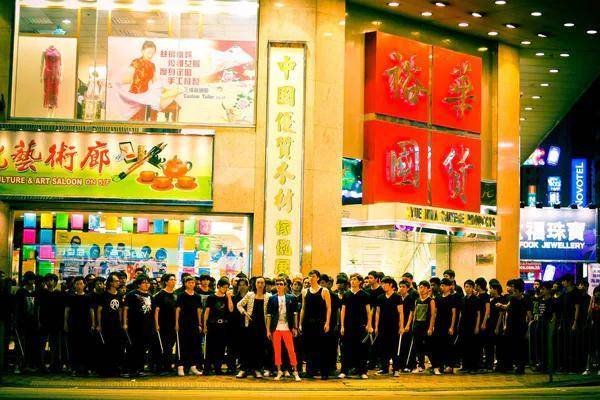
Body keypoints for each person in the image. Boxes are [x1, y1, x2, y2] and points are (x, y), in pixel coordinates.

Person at [266, 277, 301, 381]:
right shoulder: (272, 298)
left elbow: (295, 314)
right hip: (276, 328)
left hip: (287, 327)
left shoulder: (292, 298)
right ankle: (279, 371)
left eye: (281, 284)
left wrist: (295, 327)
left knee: (291, 350)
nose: (279, 286)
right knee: (277, 350)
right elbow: (269, 315)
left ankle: (295, 371)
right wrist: (268, 330)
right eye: (277, 284)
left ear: (285, 285)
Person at [299, 269, 332, 379]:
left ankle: (324, 373)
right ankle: (310, 371)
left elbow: (329, 308)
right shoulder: (305, 291)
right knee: (309, 348)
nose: (311, 278)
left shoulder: (324, 291)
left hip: (320, 323)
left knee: (322, 348)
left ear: (317, 278)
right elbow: (303, 308)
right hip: (308, 323)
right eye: (309, 276)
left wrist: (327, 322)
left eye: (313, 276)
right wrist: (300, 323)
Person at [236, 276, 271, 378]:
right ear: (255, 284)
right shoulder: (250, 294)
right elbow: (239, 305)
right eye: (258, 282)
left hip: (263, 326)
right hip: (250, 325)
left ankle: (257, 369)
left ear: (264, 284)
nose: (260, 285)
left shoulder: (268, 296)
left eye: (262, 283)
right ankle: (243, 369)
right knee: (247, 347)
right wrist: (244, 313)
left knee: (259, 348)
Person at [339, 273, 372, 379]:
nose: (352, 281)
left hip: (361, 325)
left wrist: (369, 324)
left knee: (361, 349)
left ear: (360, 282)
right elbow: (343, 311)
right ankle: (344, 370)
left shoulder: (365, 295)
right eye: (351, 279)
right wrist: (342, 325)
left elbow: (368, 311)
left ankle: (362, 371)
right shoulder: (346, 294)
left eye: (355, 279)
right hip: (348, 325)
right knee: (346, 348)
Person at [123, 274, 153, 377]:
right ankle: (131, 370)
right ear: (139, 284)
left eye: (148, 282)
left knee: (143, 348)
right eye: (144, 283)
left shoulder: (150, 295)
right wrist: (125, 323)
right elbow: (126, 309)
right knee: (133, 347)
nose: (147, 284)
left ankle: (140, 369)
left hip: (146, 326)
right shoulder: (131, 294)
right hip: (134, 325)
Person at [64, 276, 95, 376]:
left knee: (86, 346)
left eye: (81, 283)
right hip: (74, 324)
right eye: (77, 284)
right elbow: (67, 310)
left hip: (86, 324)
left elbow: (91, 311)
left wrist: (93, 323)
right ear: (74, 285)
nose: (79, 285)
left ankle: (86, 368)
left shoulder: (88, 297)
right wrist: (65, 323)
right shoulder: (71, 297)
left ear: (84, 285)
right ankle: (74, 368)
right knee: (74, 346)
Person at [203, 277, 234, 375]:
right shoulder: (211, 297)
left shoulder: (227, 298)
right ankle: (207, 368)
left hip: (223, 326)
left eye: (227, 287)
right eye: (223, 287)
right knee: (210, 347)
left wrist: (229, 297)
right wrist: (204, 325)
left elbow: (231, 309)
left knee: (221, 348)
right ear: (218, 286)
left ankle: (218, 368)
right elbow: (207, 312)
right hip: (212, 325)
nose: (225, 289)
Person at [499, 279, 529, 374]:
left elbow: (528, 315)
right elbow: (507, 307)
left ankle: (520, 366)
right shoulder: (512, 299)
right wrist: (501, 305)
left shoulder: (526, 299)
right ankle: (509, 365)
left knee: (520, 347)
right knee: (510, 345)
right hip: (511, 325)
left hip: (520, 326)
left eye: (516, 291)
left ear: (520, 291)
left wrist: (527, 328)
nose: (514, 293)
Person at [374, 276, 403, 376]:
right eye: (382, 284)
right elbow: (377, 312)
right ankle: (384, 368)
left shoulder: (397, 297)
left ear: (391, 285)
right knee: (383, 348)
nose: (383, 286)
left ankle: (396, 369)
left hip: (394, 326)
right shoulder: (380, 297)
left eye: (385, 284)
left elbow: (401, 313)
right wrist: (376, 326)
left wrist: (401, 326)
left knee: (394, 348)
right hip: (383, 326)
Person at [96, 272, 124, 376]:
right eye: (116, 281)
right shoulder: (104, 295)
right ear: (111, 283)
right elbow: (99, 311)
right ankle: (105, 370)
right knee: (106, 347)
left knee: (116, 347)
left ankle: (115, 369)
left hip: (116, 325)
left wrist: (121, 323)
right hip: (106, 324)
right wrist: (99, 324)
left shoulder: (119, 295)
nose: (118, 282)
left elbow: (120, 310)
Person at [175, 275, 203, 376]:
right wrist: (176, 323)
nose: (191, 284)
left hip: (194, 323)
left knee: (193, 345)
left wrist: (199, 323)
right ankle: (180, 366)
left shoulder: (197, 296)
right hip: (183, 323)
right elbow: (178, 310)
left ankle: (193, 367)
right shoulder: (181, 295)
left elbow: (199, 310)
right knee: (182, 345)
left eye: (193, 282)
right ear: (185, 284)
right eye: (189, 282)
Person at [38, 273, 65, 373]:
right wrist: (39, 320)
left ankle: (54, 364)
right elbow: (39, 308)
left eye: (51, 280)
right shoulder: (42, 293)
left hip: (55, 322)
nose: (49, 282)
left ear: (55, 282)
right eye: (47, 280)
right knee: (42, 344)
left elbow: (62, 309)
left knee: (54, 345)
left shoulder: (59, 294)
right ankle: (42, 364)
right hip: (44, 322)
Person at [14, 271, 40, 373]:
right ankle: (20, 364)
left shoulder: (35, 292)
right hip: (23, 322)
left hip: (32, 323)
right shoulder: (21, 292)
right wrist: (16, 320)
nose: (32, 282)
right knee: (21, 344)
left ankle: (29, 364)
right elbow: (17, 308)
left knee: (30, 344)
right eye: (30, 279)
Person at [154, 273, 177, 375]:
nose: (173, 281)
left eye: (174, 279)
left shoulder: (175, 295)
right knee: (163, 346)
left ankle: (168, 366)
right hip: (163, 324)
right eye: (171, 279)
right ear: (166, 282)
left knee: (170, 346)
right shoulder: (160, 295)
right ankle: (160, 368)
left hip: (173, 324)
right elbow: (156, 311)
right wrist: (156, 324)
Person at [433, 278, 457, 375]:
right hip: (438, 324)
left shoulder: (452, 298)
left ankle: (449, 365)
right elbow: (435, 312)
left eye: (444, 285)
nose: (442, 287)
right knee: (439, 345)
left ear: (449, 287)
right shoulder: (438, 297)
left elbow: (454, 313)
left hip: (447, 324)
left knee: (448, 345)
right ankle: (440, 365)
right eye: (441, 285)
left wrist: (452, 327)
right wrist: (433, 325)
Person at [411, 281, 436, 374]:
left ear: (428, 289)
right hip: (417, 326)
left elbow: (433, 315)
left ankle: (435, 366)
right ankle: (421, 366)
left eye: (423, 288)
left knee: (428, 347)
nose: (421, 290)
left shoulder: (431, 301)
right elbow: (415, 314)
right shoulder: (417, 300)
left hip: (426, 327)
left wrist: (430, 328)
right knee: (418, 347)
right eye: (420, 287)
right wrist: (413, 325)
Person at [459, 280, 481, 373]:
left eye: (469, 287)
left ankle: (474, 367)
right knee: (465, 346)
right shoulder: (463, 299)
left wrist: (477, 326)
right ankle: (465, 366)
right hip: (464, 324)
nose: (467, 288)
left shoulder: (476, 299)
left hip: (472, 324)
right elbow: (461, 313)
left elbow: (478, 314)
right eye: (466, 286)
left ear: (473, 288)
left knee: (473, 346)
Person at [397, 280, 415, 373]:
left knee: (407, 345)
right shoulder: (398, 298)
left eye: (403, 287)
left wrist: (407, 325)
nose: (401, 288)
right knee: (401, 345)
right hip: (400, 324)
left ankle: (409, 365)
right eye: (400, 286)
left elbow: (411, 313)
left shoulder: (411, 298)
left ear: (408, 288)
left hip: (407, 324)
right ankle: (400, 364)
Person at [475, 277, 491, 371]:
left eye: (476, 285)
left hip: (483, 322)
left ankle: (487, 363)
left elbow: (487, 310)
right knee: (479, 344)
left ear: (479, 286)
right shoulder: (477, 296)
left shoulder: (485, 296)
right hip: (478, 321)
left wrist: (484, 322)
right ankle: (479, 362)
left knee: (485, 344)